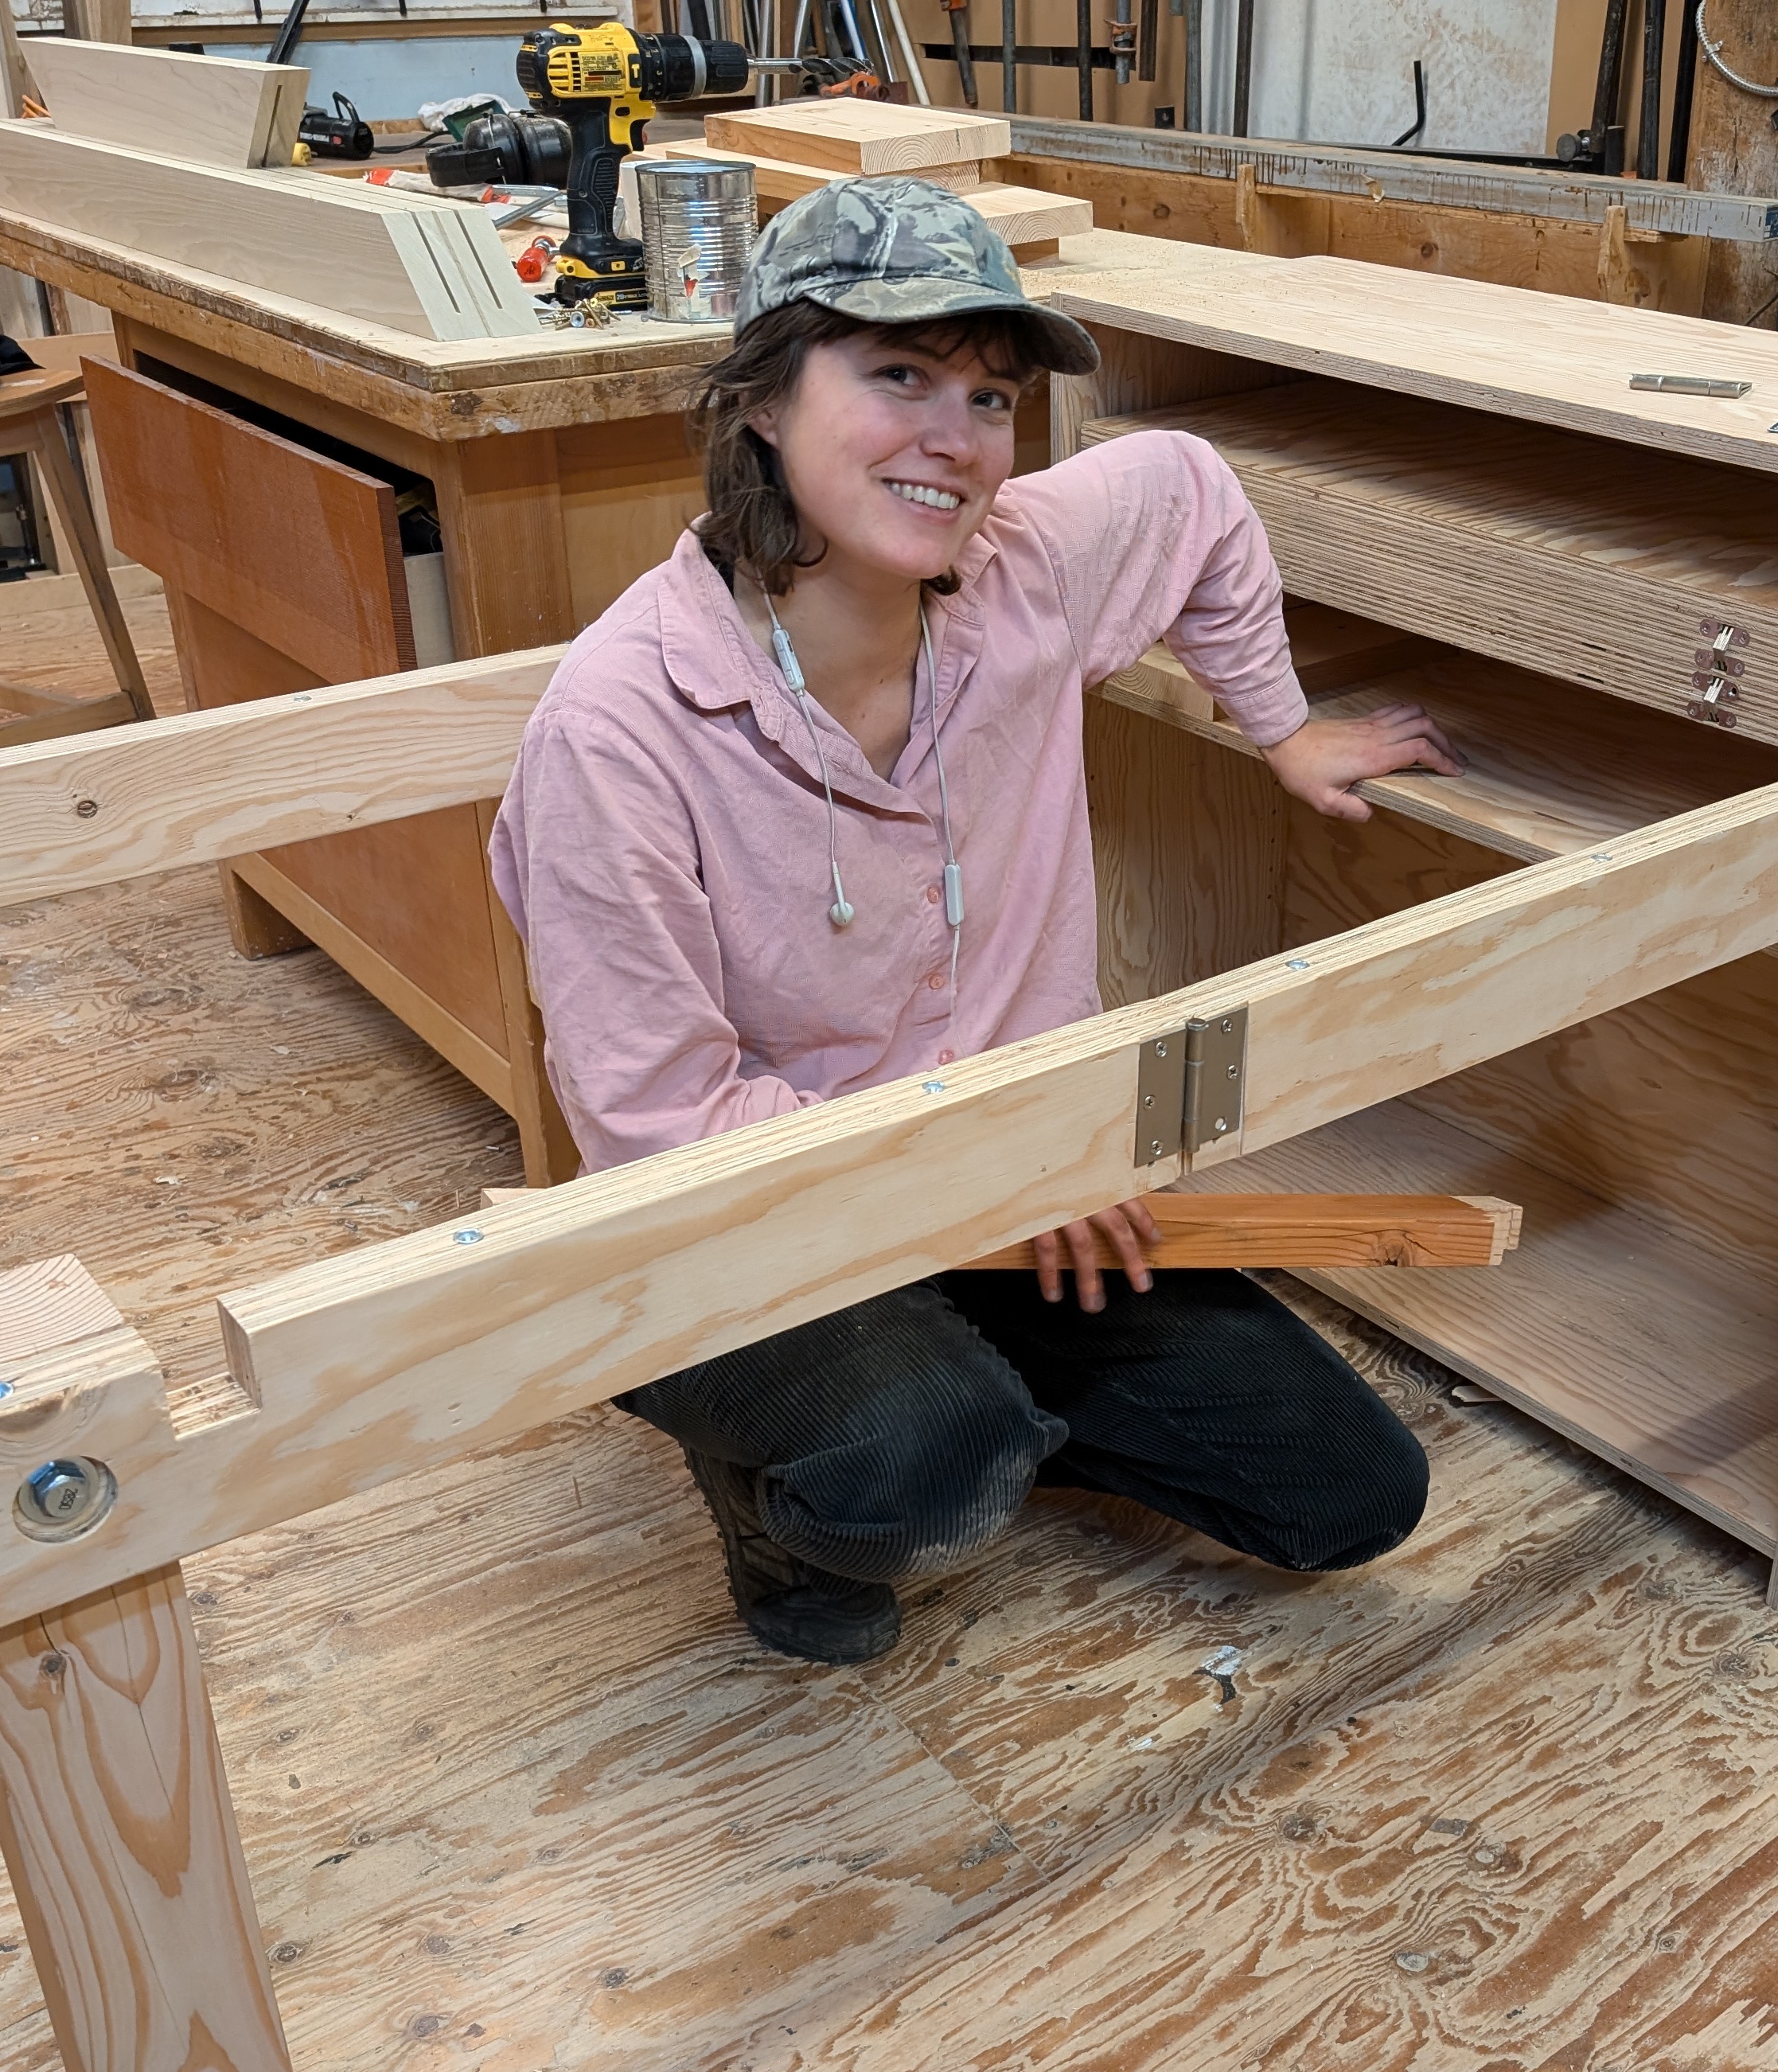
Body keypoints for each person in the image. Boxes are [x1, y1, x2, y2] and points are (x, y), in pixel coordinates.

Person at [489, 178, 1464, 1666]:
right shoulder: (622, 729)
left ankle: (984, 1406)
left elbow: (1190, 485)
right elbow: (655, 1125)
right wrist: (998, 1167)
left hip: (1013, 1187)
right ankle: (796, 1485)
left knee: (1348, 1494)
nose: (956, 437)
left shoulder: (1023, 574)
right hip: (747, 1221)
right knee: (919, 1475)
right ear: (761, 399)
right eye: (897, 376)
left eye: (992, 396)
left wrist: (1281, 727)